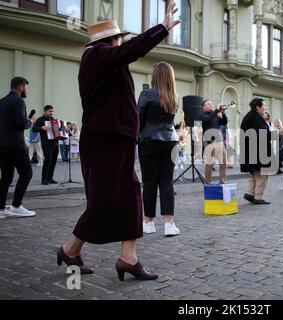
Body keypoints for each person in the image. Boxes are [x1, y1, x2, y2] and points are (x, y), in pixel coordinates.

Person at [57, 4, 181, 281]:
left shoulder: (100, 60)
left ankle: (124, 257)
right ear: (110, 41)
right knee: (109, 199)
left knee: (124, 195)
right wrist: (162, 28)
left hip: (113, 139)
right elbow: (130, 50)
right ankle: (73, 249)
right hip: (106, 140)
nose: (121, 43)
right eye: (119, 39)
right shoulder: (98, 56)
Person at [138, 62, 180, 237]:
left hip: (149, 140)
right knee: (166, 182)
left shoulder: (147, 93)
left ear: (155, 75)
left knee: (149, 182)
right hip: (170, 141)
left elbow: (138, 118)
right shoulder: (174, 96)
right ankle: (169, 223)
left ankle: (148, 222)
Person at [0, 77, 36, 218]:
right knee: (26, 173)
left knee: (6, 177)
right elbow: (21, 123)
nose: (27, 90)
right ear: (20, 87)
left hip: (2, 145)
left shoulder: (1, 102)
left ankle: (1, 209)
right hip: (16, 145)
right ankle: (16, 205)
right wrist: (30, 122)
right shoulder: (19, 101)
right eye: (27, 87)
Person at [240, 98, 272, 205]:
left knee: (255, 175)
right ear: (258, 107)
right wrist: (276, 135)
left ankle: (250, 193)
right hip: (257, 152)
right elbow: (263, 134)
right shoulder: (256, 118)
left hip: (249, 151)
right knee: (262, 175)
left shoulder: (248, 117)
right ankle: (258, 197)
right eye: (263, 106)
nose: (264, 108)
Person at [201, 100, 228, 184]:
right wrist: (217, 110)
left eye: (211, 103)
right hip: (209, 141)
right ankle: (208, 183)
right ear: (204, 107)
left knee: (223, 162)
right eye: (208, 104)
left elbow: (224, 122)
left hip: (219, 140)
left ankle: (222, 181)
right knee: (210, 163)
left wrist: (223, 114)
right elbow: (207, 120)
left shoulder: (215, 114)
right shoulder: (202, 115)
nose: (211, 105)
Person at [33, 105, 59, 185]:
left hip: (55, 143)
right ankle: (44, 179)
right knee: (48, 161)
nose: (52, 113)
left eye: (52, 111)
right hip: (46, 143)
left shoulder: (53, 119)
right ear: (45, 111)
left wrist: (60, 127)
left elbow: (56, 130)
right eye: (50, 111)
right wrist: (42, 128)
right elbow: (34, 129)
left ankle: (50, 178)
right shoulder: (40, 119)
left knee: (54, 161)